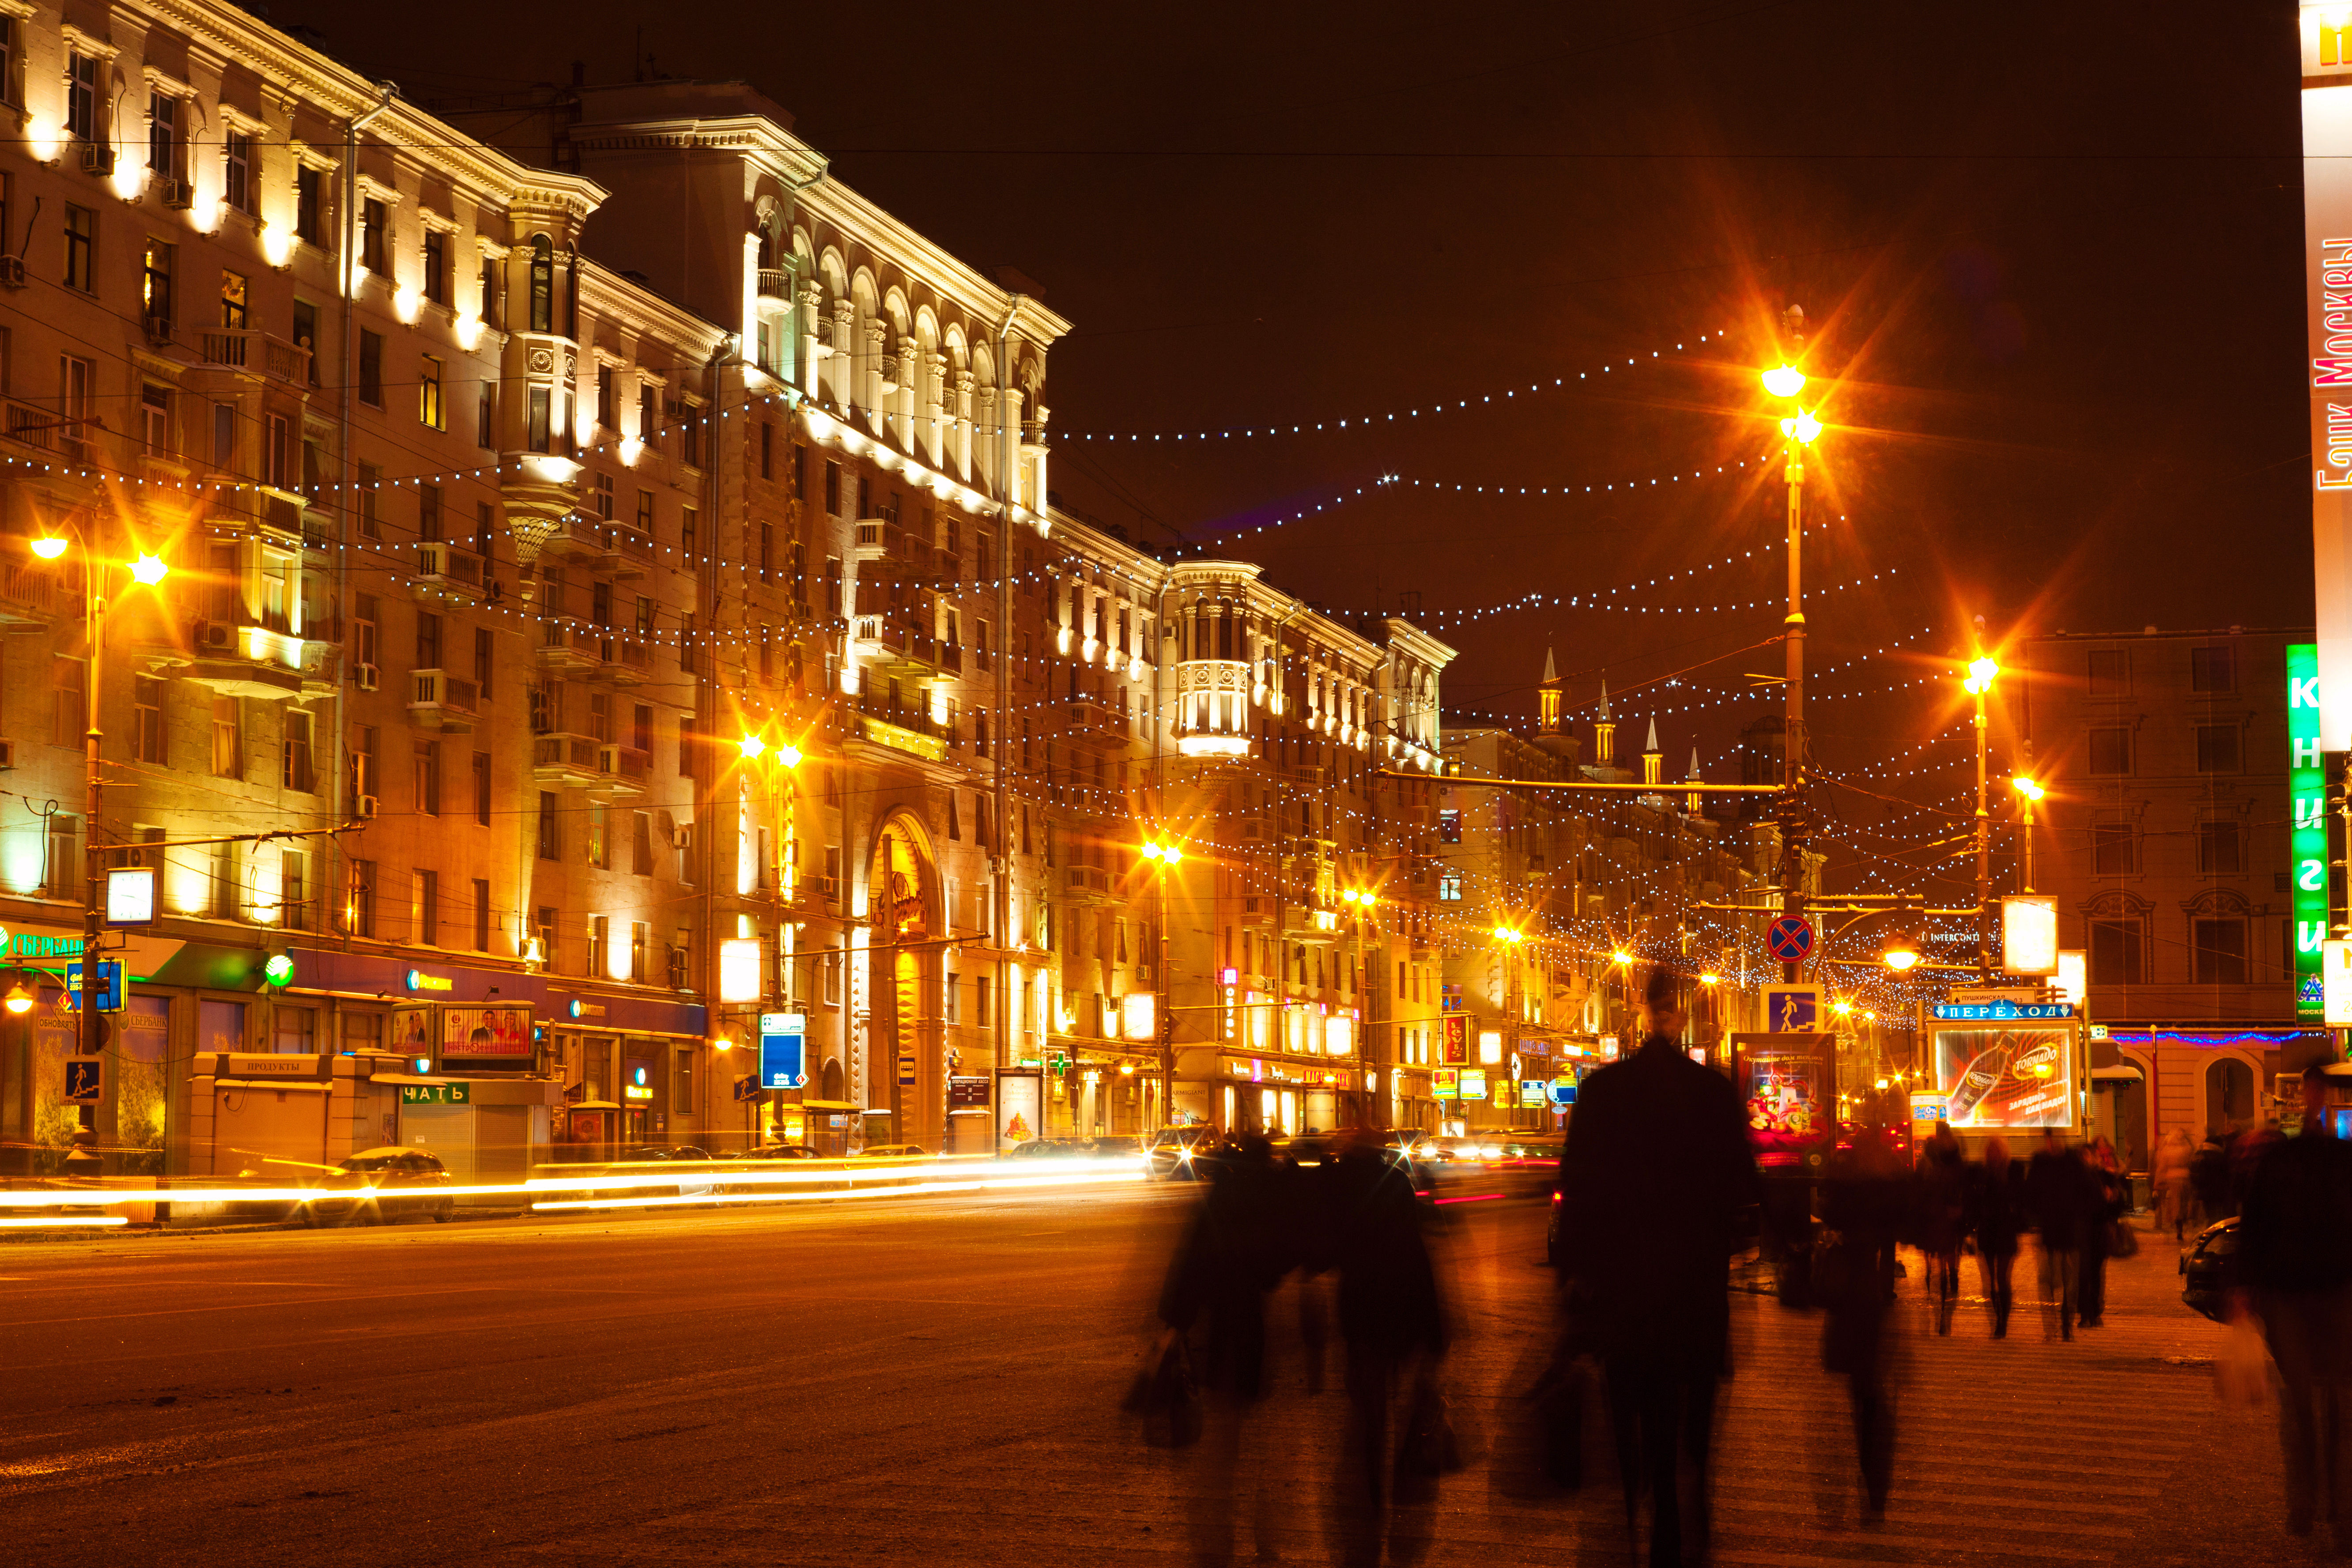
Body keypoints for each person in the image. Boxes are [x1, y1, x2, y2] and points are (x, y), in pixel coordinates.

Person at [1556, 965, 1758, 1568]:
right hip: (1691, 1289)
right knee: (1687, 1413)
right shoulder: (1711, 1092)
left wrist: (1571, 1278)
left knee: (1627, 1402)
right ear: (1683, 1011)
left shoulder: (1602, 1091)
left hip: (1621, 1288)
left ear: (1640, 1009)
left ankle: (1628, 1507)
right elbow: (1741, 1188)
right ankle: (1675, 1516)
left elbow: (1577, 1190)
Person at [1156, 1130, 1301, 1564]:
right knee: (1269, 1448)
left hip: (1221, 1335)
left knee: (1224, 1445)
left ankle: (1215, 1544)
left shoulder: (1220, 1201)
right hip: (1266, 1331)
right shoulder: (1277, 1205)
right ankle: (1268, 1542)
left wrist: (1174, 1325)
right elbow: (1291, 1256)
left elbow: (1191, 1265)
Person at [2238, 1059, 2352, 1544]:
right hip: (2324, 1292)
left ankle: (2318, 1504)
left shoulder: (2285, 1162)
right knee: (2329, 1405)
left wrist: (2244, 1288)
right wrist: (2245, 1287)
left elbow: (2253, 1228)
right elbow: (2255, 1227)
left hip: (2309, 1292)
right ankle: (2330, 1508)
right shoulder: (2335, 1160)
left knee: (2315, 1404)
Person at [1820, 1116, 1907, 1517]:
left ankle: (1865, 1462)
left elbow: (1828, 1209)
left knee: (1859, 1384)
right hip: (1870, 1292)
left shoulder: (1845, 1172)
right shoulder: (1885, 1176)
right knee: (1870, 1382)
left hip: (1847, 1292)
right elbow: (1904, 1219)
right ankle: (1874, 1481)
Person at [2024, 1128, 2092, 1341]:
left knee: (2069, 1280)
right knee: (2047, 1280)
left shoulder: (2073, 1161)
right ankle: (2051, 1326)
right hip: (2049, 1230)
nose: (2053, 1142)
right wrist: (2035, 1221)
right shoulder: (2041, 1161)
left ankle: (2066, 1324)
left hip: (2069, 1230)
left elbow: (2086, 1191)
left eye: (2056, 1138)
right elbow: (2031, 1194)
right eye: (2050, 1138)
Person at [1912, 1122, 1967, 1335]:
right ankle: (1948, 1280)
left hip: (1939, 1213)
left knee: (1944, 1253)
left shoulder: (1939, 1157)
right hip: (1940, 1214)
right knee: (1945, 1252)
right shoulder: (1950, 1155)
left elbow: (1920, 1186)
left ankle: (1947, 1285)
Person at [1968, 1137, 2024, 1338]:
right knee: (1991, 1280)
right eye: (1990, 1150)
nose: (1992, 1154)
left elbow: (2019, 1197)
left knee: (2002, 1278)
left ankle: (2003, 1323)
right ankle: (1998, 1318)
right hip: (1988, 1229)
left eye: (1996, 1150)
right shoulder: (1982, 1173)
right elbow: (1975, 1201)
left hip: (2005, 1229)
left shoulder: (2013, 1170)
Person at [2078, 1135, 2126, 1327]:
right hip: (2082, 1232)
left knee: (2096, 1273)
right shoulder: (2077, 1179)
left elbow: (2119, 1205)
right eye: (2084, 1156)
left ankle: (2096, 1312)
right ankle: (2084, 1313)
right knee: (2083, 1273)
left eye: (2089, 1156)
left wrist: (2113, 1197)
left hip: (2099, 1231)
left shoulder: (2105, 1176)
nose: (2087, 1159)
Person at [2153, 1128, 2193, 1241]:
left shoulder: (2167, 1150)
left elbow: (2162, 1167)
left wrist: (2157, 1183)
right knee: (2184, 1203)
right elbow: (2191, 1163)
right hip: (2186, 1177)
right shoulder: (2188, 1149)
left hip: (2172, 1178)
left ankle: (2178, 1227)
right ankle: (2183, 1221)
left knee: (2175, 1204)